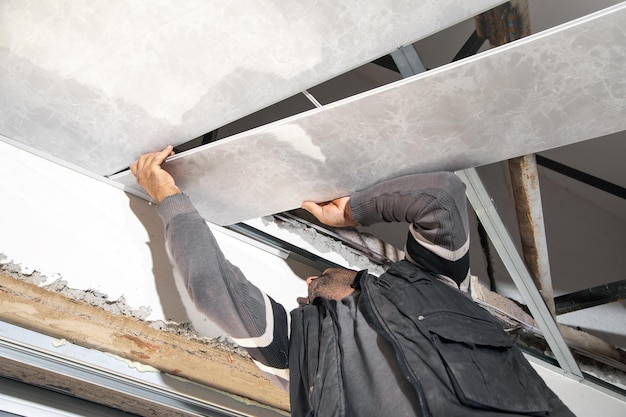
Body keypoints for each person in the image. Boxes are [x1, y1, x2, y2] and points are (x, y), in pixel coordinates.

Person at [131, 146, 575, 417]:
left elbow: (441, 194)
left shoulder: (294, 354)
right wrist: (344, 215)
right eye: (309, 288)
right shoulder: (437, 281)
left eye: (305, 291)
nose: (305, 284)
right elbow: (214, 286)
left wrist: (357, 209)